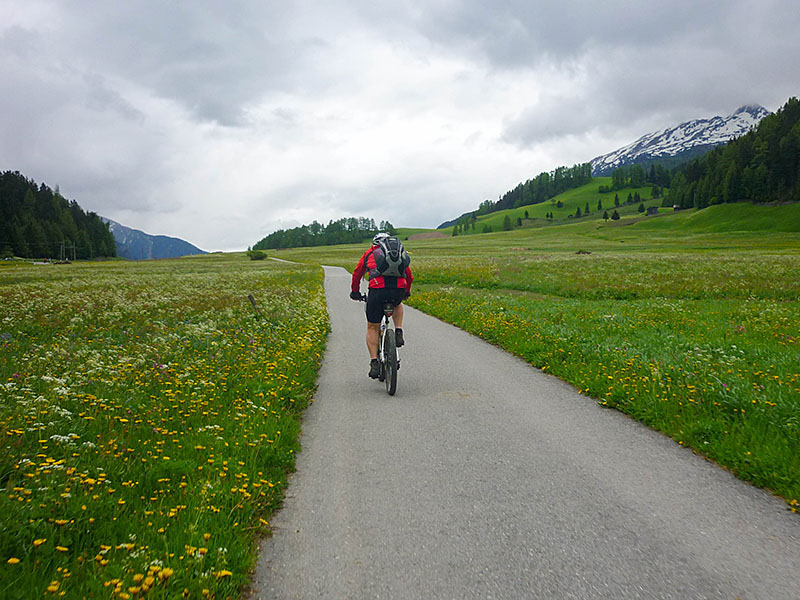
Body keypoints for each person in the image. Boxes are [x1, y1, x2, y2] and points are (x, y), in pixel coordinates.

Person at [350, 233, 413, 379]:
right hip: (398, 289)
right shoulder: (398, 254)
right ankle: (398, 330)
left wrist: (355, 292)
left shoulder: (370, 253)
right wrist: (406, 292)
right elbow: (409, 275)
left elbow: (357, 273)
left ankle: (374, 362)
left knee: (373, 327)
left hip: (377, 290)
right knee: (398, 304)